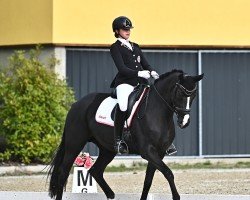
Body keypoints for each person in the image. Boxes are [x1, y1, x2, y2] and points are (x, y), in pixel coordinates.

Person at [110, 16, 176, 155]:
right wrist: (139, 74)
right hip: (125, 82)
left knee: (156, 103)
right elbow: (122, 69)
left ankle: (166, 140)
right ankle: (118, 140)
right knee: (123, 105)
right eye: (124, 29)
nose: (128, 31)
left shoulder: (135, 46)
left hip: (141, 83)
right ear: (117, 31)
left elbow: (145, 63)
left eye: (129, 29)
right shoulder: (115, 48)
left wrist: (152, 71)